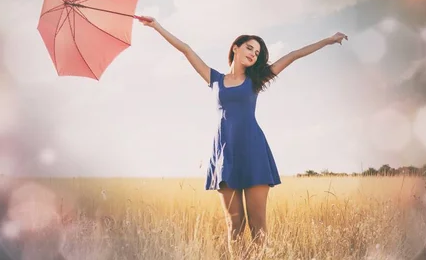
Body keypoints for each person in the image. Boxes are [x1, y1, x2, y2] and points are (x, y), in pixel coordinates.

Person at [138, 16, 348, 255]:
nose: (253, 54)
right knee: (234, 227)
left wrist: (329, 40)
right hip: (224, 157)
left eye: (257, 52)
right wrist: (156, 26)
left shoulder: (255, 80)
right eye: (249, 47)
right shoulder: (214, 79)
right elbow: (186, 50)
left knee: (258, 226)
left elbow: (293, 54)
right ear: (235, 48)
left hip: (253, 152)